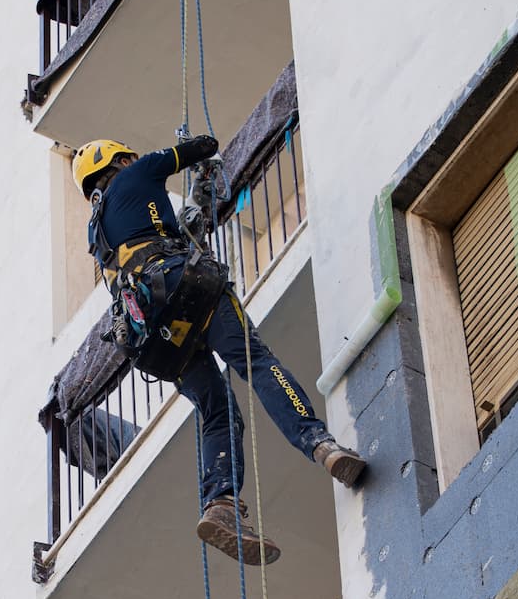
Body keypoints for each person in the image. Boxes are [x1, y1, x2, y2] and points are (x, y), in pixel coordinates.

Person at [71, 136, 365, 566]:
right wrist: (192, 150)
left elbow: (157, 237)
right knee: (255, 361)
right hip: (186, 288)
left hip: (152, 337)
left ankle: (221, 504)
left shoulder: (97, 234)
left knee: (218, 412)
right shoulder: (140, 172)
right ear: (121, 160)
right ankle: (322, 445)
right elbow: (203, 147)